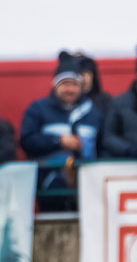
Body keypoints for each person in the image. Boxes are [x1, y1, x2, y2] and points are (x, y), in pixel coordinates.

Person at [19, 68, 101, 207]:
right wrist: (58, 141)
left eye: (74, 84)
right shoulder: (38, 108)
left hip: (88, 186)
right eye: (64, 84)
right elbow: (27, 140)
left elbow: (103, 143)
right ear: (55, 85)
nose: (69, 89)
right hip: (49, 186)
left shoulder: (93, 112)